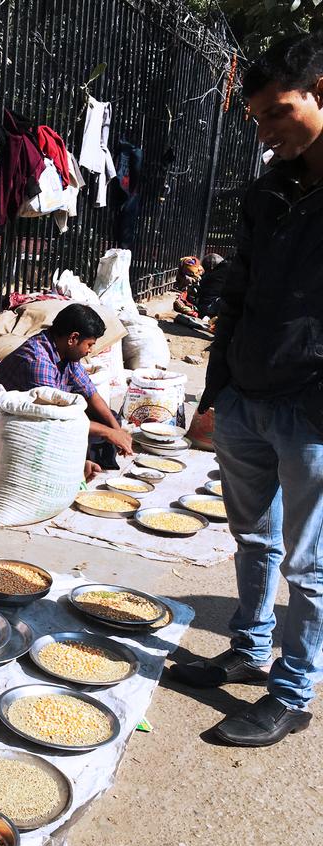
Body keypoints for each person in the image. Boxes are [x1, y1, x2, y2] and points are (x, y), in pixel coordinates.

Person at [169, 32, 323, 746]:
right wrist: (215, 392)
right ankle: (248, 645)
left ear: (319, 93)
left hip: (311, 411)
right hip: (246, 399)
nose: (266, 131)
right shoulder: (267, 187)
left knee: (311, 562)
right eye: (257, 118)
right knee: (251, 538)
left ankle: (292, 693)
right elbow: (238, 292)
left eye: (278, 112)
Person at [0, 303, 134, 474]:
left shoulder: (66, 354)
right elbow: (56, 419)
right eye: (89, 344)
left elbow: (91, 394)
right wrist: (108, 433)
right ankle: (80, 465)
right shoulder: (38, 361)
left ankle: (90, 462)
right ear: (73, 338)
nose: (90, 351)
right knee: (74, 430)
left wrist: (117, 431)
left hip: (50, 414)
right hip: (21, 425)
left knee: (111, 418)